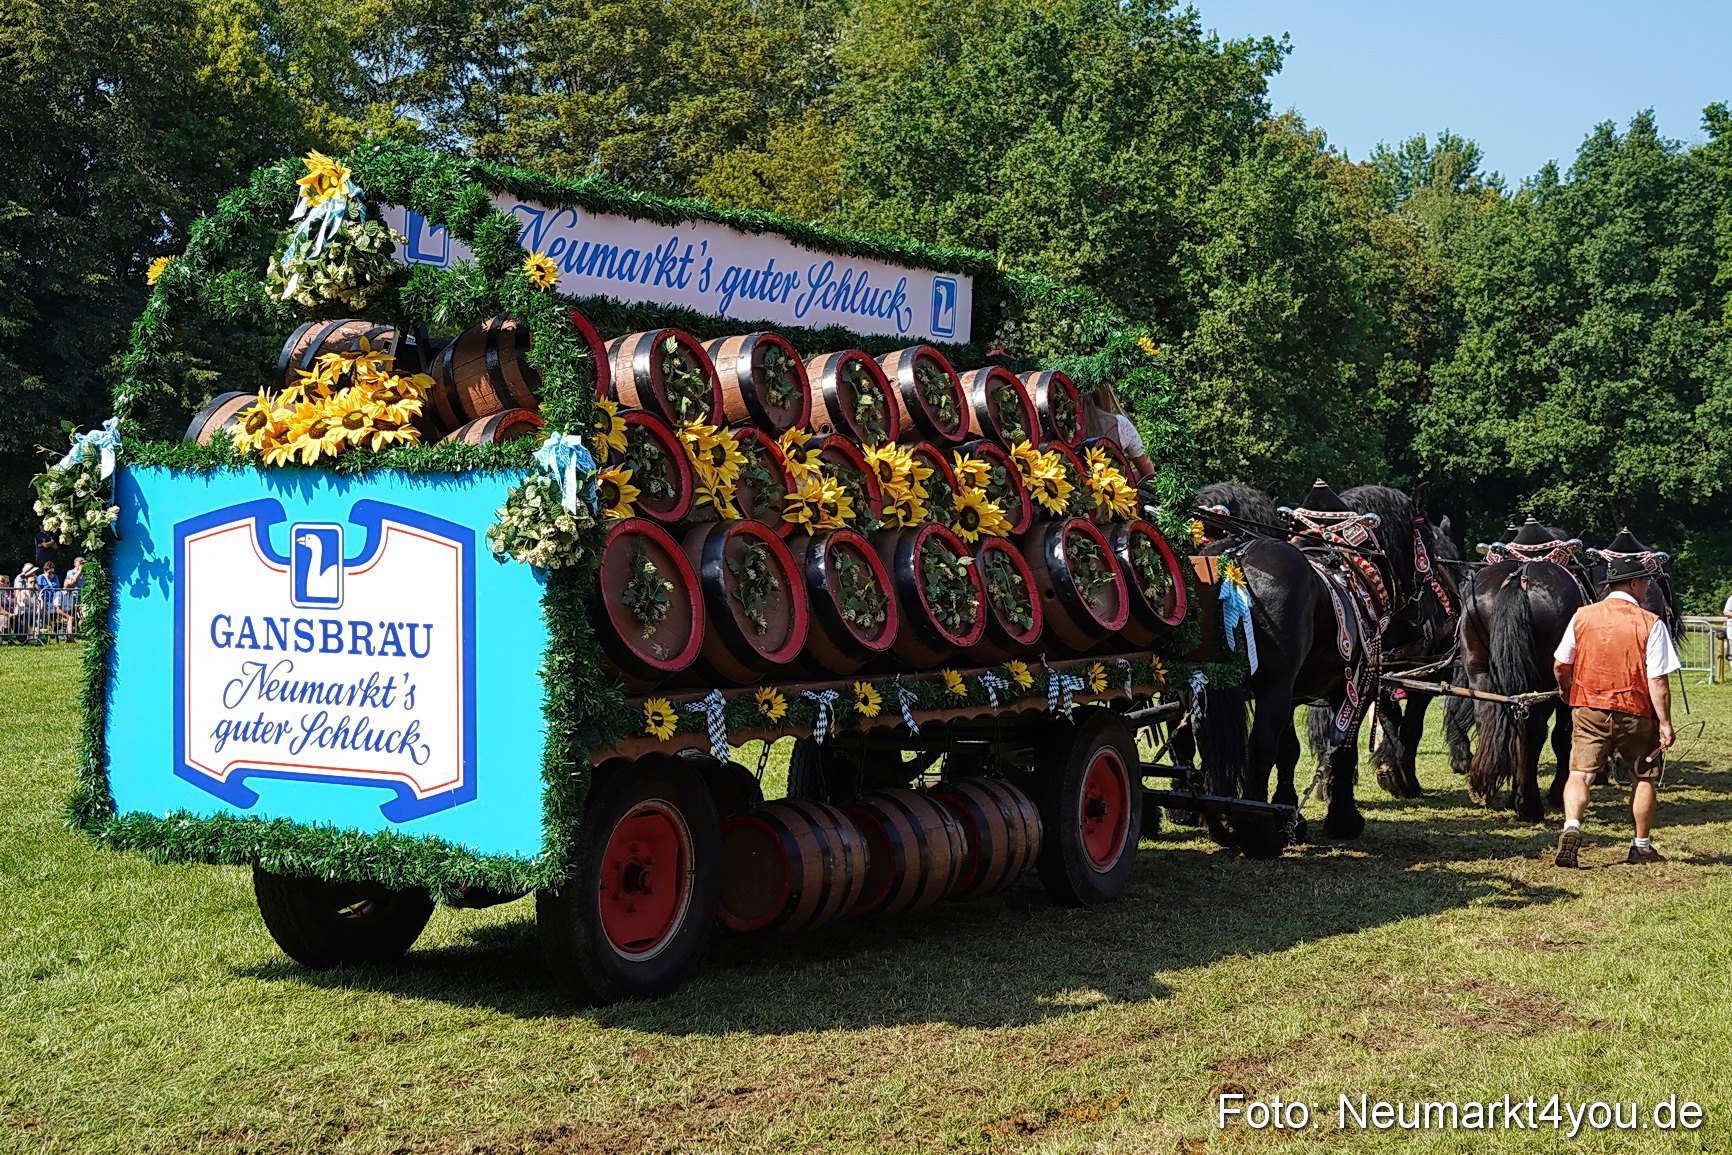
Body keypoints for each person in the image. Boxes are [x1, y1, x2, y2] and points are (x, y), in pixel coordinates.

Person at [1552, 532, 1681, 867]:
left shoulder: (1582, 615)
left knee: (1579, 773)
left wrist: (1566, 690)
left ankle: (1572, 825)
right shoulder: (1651, 623)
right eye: (1646, 582)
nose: (1648, 587)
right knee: (1644, 777)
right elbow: (1658, 680)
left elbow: (1560, 664)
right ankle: (1641, 847)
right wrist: (1666, 724)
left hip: (1588, 707)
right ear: (1634, 583)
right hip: (1635, 711)